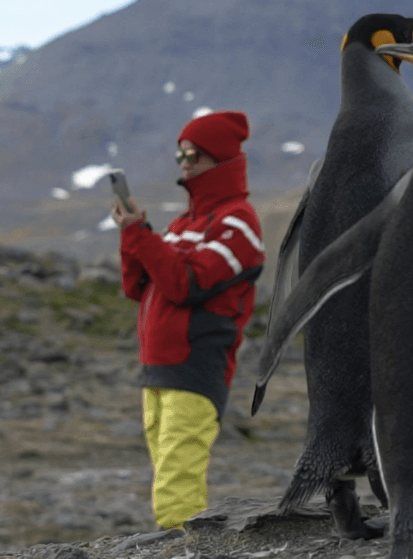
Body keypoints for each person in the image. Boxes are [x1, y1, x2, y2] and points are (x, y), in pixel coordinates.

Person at [112, 110, 265, 529]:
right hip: (158, 366)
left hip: (196, 364)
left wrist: (145, 236)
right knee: (167, 467)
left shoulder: (239, 223)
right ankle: (182, 540)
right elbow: (137, 287)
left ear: (220, 158)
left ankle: (182, 544)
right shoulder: (184, 224)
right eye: (180, 153)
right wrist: (132, 236)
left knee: (179, 471)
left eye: (194, 153)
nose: (184, 162)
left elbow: (186, 284)